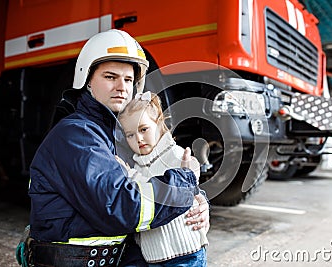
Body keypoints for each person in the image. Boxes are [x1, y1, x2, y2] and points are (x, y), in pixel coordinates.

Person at [19, 29, 209, 267]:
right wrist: (185, 181)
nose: (122, 87)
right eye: (110, 77)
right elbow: (124, 206)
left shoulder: (112, 135)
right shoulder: (77, 135)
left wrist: (197, 203)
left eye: (128, 80)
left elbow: (150, 178)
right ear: (87, 81)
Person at [117, 91, 208, 266]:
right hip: (153, 257)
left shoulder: (174, 154)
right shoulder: (136, 165)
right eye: (130, 135)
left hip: (186, 253)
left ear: (159, 123)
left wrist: (193, 176)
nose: (139, 139)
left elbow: (191, 173)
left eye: (144, 129)